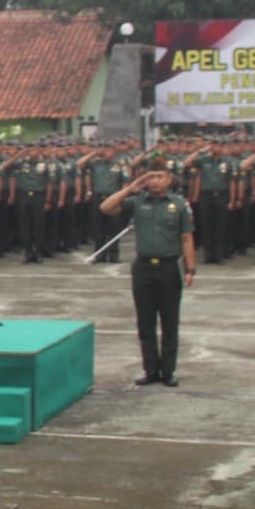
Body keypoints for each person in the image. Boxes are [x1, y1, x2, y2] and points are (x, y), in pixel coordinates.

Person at [100, 157, 195, 387]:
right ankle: (150, 370)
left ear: (169, 179)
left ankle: (168, 371)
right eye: (151, 177)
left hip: (169, 268)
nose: (155, 181)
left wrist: (190, 268)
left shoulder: (180, 205)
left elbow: (187, 238)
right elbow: (105, 207)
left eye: (159, 176)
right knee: (146, 322)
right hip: (143, 268)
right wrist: (129, 188)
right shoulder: (137, 202)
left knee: (170, 322)